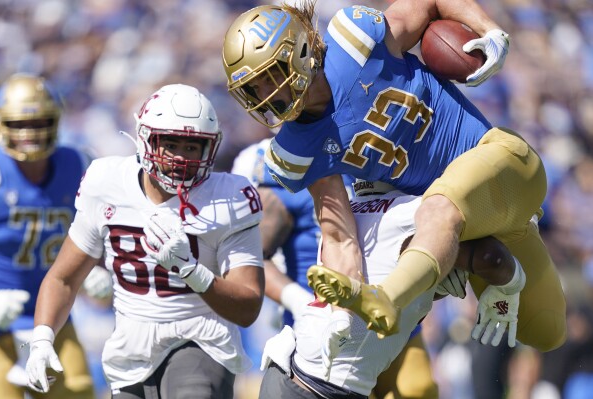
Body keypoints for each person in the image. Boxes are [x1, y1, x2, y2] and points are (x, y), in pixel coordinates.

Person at [221, 0, 566, 351]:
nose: (267, 95)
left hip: (500, 160)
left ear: (300, 49)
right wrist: (341, 313)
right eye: (254, 88)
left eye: (271, 76)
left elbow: (430, 3)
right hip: (472, 220)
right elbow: (339, 236)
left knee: (435, 210)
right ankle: (502, 276)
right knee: (546, 331)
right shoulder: (296, 149)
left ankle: (388, 297)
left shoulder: (355, 40)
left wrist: (490, 30)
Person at [23, 84, 265, 398]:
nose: (180, 157)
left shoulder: (228, 197)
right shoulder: (107, 182)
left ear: (210, 148)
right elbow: (64, 278)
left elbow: (248, 306)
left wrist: (192, 271)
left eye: (192, 147)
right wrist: (42, 339)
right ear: (146, 140)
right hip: (130, 350)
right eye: (171, 144)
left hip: (201, 338)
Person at [257, 180, 526, 398]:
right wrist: (508, 287)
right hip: (319, 387)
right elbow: (493, 258)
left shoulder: (350, 205)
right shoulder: (417, 215)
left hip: (292, 369)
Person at [232, 140, 439, 398]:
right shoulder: (288, 169)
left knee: (418, 390)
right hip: (326, 319)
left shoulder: (377, 154)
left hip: (387, 306)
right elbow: (254, 257)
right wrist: (296, 299)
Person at [0, 73, 98, 399]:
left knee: (77, 392)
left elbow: (105, 229)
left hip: (53, 318)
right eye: (19, 123)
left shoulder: (79, 163)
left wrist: (99, 267)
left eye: (40, 121)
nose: (30, 133)